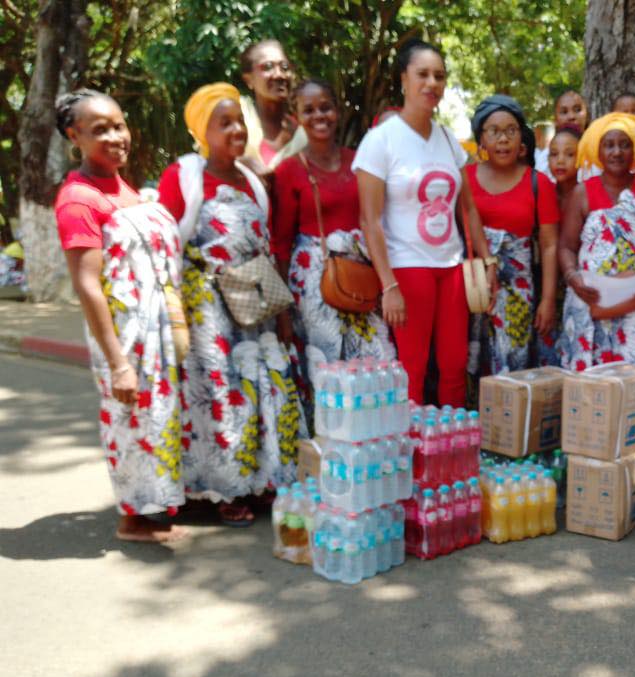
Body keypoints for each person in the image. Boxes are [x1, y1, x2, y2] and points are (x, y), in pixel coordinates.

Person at [158, 83, 304, 526]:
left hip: (255, 307)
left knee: (262, 391)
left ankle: (259, 480)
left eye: (240, 120)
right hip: (209, 314)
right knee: (220, 397)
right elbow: (167, 246)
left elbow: (266, 245)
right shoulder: (184, 176)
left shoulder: (254, 181)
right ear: (203, 130)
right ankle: (223, 490)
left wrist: (281, 316)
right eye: (224, 123)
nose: (236, 130)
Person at [54, 90, 188, 543]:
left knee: (156, 418)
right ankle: (133, 516)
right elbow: (88, 284)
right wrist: (118, 364)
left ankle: (155, 507)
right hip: (124, 334)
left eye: (119, 125)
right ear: (75, 137)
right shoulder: (78, 199)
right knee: (128, 419)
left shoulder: (124, 188)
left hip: (155, 328)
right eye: (99, 130)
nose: (115, 137)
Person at [354, 40, 491, 406]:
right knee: (411, 369)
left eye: (440, 76)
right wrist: (389, 286)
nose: (432, 83)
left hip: (451, 268)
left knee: (453, 365)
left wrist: (488, 261)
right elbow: (369, 221)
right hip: (407, 267)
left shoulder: (448, 139)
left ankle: (451, 452)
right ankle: (410, 456)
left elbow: (470, 209)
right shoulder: (380, 141)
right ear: (403, 79)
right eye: (423, 74)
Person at [272, 78, 394, 419]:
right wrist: (283, 312)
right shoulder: (290, 170)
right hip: (314, 288)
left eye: (325, 107)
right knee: (327, 366)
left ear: (337, 112)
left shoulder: (360, 162)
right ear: (296, 117)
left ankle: (373, 433)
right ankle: (331, 443)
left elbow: (377, 220)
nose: (318, 115)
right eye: (308, 110)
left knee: (378, 358)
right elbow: (281, 244)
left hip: (363, 280)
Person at [557, 112, 635, 370]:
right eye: (609, 145)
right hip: (589, 300)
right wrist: (574, 278)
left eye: (624, 144)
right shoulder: (582, 192)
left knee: (634, 384)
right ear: (599, 150)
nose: (617, 152)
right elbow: (566, 247)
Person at [465, 95, 560, 373]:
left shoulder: (537, 182)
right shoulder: (464, 179)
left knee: (513, 362)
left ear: (522, 139)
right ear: (481, 140)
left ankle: (510, 417)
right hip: (472, 286)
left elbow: (550, 245)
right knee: (468, 362)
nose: (503, 139)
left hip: (519, 292)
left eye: (511, 131)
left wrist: (548, 300)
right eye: (494, 131)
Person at [239, 39, 307, 172]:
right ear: (249, 79)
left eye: (285, 67)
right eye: (268, 66)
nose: (279, 74)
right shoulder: (238, 122)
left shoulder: (304, 132)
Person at [536, 89, 589, 179]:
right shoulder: (544, 160)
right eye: (564, 112)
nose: (571, 117)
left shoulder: (597, 157)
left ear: (587, 116)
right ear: (555, 119)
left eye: (577, 110)